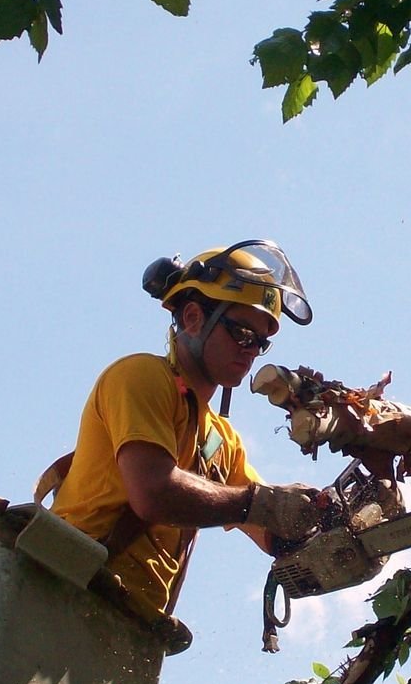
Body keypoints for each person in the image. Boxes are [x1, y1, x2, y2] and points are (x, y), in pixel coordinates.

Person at [43, 240, 323, 628]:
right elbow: (154, 493)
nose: (251, 350)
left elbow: (272, 527)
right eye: (243, 333)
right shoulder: (141, 377)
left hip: (131, 624)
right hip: (60, 592)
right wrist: (259, 503)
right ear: (193, 318)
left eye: (260, 342)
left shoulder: (221, 441)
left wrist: (330, 520)